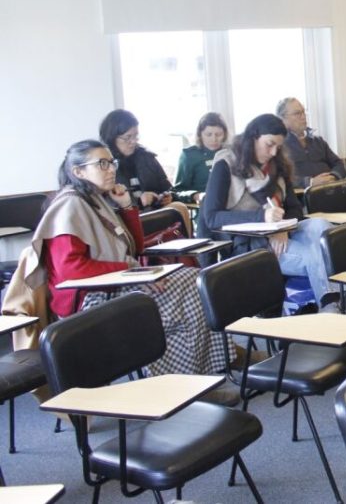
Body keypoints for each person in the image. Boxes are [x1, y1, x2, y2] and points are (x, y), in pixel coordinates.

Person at [27, 140, 229, 379]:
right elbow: (71, 270)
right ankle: (176, 381)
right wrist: (133, 272)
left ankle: (206, 370)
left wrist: (125, 207)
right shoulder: (69, 206)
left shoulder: (96, 199)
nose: (112, 169)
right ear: (79, 172)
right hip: (88, 299)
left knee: (195, 281)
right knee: (173, 298)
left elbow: (135, 249)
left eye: (111, 162)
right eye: (102, 164)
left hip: (113, 284)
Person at [201, 114, 335, 307]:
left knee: (322, 227)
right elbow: (212, 217)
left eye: (278, 147)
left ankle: (340, 302)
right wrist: (263, 217)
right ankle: (333, 308)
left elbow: (295, 209)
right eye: (269, 144)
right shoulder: (226, 164)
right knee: (315, 256)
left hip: (281, 233)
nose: (273, 152)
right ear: (253, 137)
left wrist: (282, 228)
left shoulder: (278, 165)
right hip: (249, 243)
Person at [99, 109, 172, 210]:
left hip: (155, 212)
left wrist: (167, 197)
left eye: (135, 136)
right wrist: (139, 202)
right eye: (127, 137)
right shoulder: (104, 166)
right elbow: (105, 203)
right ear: (112, 138)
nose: (133, 141)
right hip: (124, 216)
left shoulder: (147, 157)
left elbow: (167, 188)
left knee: (177, 207)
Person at [277, 97, 346, 187]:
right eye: (297, 113)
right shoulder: (280, 146)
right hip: (304, 193)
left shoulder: (318, 141)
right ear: (283, 119)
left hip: (331, 188)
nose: (303, 117)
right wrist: (310, 182)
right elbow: (281, 177)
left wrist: (333, 176)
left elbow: (339, 164)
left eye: (303, 112)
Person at [173, 112, 228, 203]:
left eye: (218, 134)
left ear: (225, 134)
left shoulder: (231, 152)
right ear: (200, 134)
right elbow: (176, 192)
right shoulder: (189, 155)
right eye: (208, 134)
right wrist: (195, 195)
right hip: (203, 204)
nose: (214, 139)